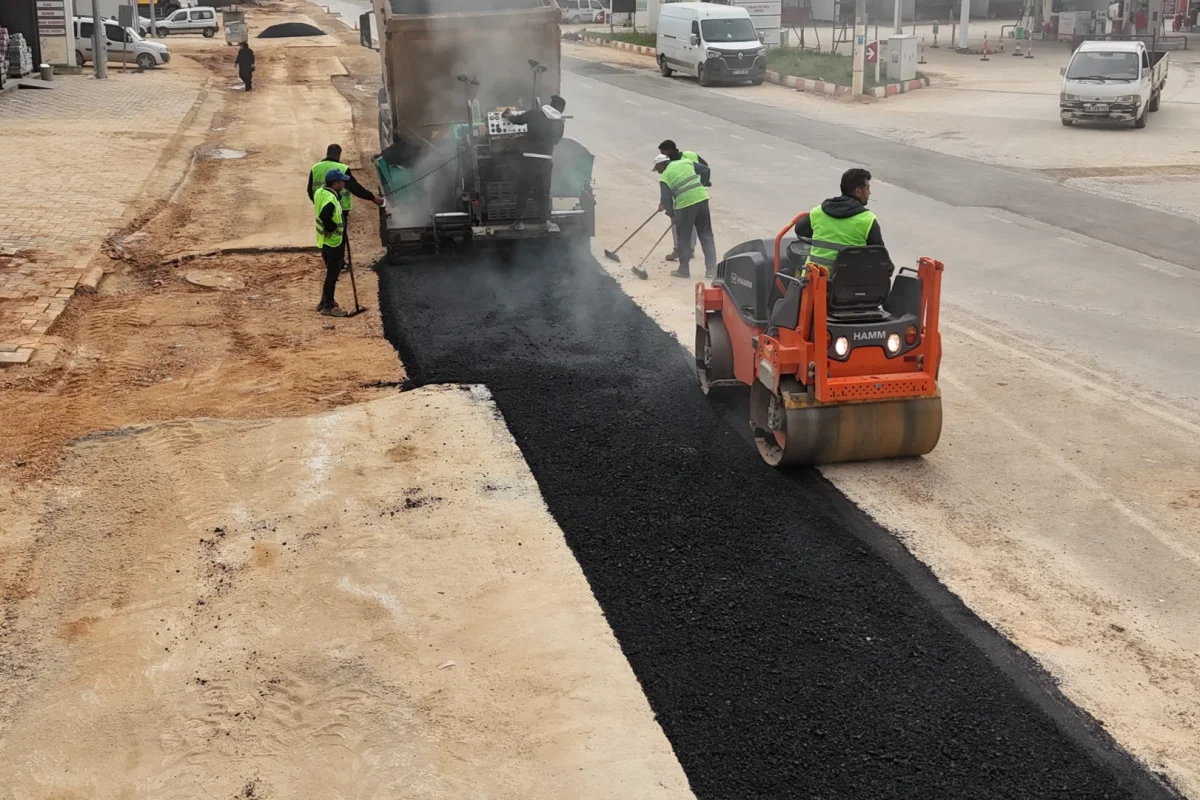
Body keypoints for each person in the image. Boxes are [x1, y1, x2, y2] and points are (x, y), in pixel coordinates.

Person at [793, 167, 884, 274]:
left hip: (812, 284)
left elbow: (800, 230)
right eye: (867, 188)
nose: (869, 192)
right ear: (858, 191)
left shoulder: (818, 212)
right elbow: (881, 258)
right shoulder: (867, 220)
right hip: (847, 287)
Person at [503, 94, 566, 231]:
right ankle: (545, 221)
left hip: (529, 159)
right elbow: (555, 141)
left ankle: (519, 222)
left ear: (550, 104)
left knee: (524, 190)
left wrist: (508, 115)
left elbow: (517, 120)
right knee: (544, 191)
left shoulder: (535, 114)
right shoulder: (559, 124)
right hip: (546, 161)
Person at [654, 152, 716, 279]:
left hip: (685, 205)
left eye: (657, 168)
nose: (658, 172)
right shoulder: (686, 162)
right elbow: (705, 169)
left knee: (683, 238)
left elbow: (666, 198)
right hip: (702, 199)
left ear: (662, 164)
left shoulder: (665, 176)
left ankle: (683, 270)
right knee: (706, 234)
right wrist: (702, 185)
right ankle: (711, 270)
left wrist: (671, 215)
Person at [307, 144, 385, 245]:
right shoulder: (342, 169)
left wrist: (318, 203)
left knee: (325, 236)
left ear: (327, 153)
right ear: (339, 155)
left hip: (322, 208)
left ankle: (330, 258)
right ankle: (338, 260)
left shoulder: (315, 168)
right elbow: (355, 188)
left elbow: (309, 190)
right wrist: (372, 198)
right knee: (338, 238)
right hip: (340, 209)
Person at [658, 139, 711, 262]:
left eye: (664, 153)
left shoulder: (675, 163)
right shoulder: (689, 155)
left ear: (668, 150)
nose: (664, 156)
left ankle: (680, 250)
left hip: (686, 197)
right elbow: (705, 167)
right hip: (697, 195)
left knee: (678, 224)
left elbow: (667, 187)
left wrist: (703, 182)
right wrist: (703, 183)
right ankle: (689, 250)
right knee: (692, 225)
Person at [315, 170, 350, 317]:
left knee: (330, 273)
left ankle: (324, 301)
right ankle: (328, 306)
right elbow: (325, 215)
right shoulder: (330, 199)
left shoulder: (320, 192)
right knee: (332, 274)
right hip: (334, 242)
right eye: (341, 182)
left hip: (324, 241)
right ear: (335, 184)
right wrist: (332, 227)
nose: (343, 184)